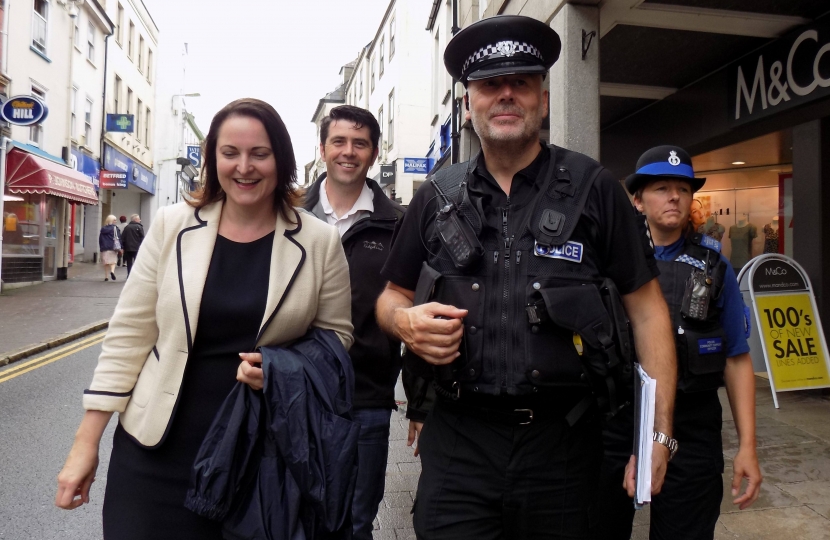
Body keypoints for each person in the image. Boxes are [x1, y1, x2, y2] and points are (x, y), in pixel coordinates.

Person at [375, 15, 677, 539]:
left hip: (565, 445)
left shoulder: (595, 188)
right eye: (491, 85)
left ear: (543, 97)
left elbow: (648, 311)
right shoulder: (435, 197)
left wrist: (659, 431)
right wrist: (403, 321)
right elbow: (389, 297)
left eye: (522, 82)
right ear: (468, 104)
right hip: (458, 444)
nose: (506, 95)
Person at [55, 98, 353, 540]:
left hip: (257, 456)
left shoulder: (319, 241)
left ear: (282, 160)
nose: (244, 167)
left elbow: (338, 336)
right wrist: (86, 443)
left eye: (260, 153)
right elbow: (129, 335)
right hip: (154, 448)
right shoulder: (173, 226)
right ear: (212, 159)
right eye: (230, 153)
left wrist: (282, 367)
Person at [591, 146, 762, 540]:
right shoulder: (605, 266)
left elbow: (737, 359)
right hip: (614, 424)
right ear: (637, 200)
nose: (674, 197)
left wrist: (747, 447)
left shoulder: (714, 268)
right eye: (662, 188)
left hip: (691, 427)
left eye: (683, 189)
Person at [303, 104, 404, 540]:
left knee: (356, 522)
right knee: (296, 515)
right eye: (339, 142)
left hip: (367, 398)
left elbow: (415, 304)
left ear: (375, 153)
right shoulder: (288, 215)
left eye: (359, 143)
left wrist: (418, 403)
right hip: (296, 394)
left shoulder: (398, 223)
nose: (348, 152)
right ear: (322, 149)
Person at [98, 215, 122, 281]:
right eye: (115, 220)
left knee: (106, 262)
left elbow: (100, 239)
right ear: (111, 220)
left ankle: (106, 276)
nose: (116, 221)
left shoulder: (103, 229)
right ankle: (112, 271)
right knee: (113, 262)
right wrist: (121, 247)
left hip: (104, 248)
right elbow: (119, 238)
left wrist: (101, 247)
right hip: (113, 247)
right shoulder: (115, 228)